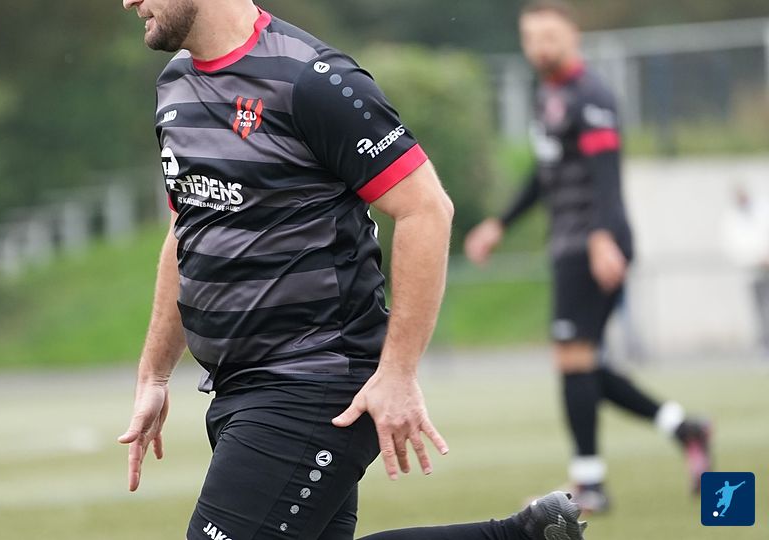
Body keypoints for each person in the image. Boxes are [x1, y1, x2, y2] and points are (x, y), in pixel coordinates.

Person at [117, 1, 588, 539]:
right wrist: (154, 374)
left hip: (313, 380)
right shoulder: (174, 83)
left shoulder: (312, 79)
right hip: (237, 386)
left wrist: (398, 371)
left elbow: (426, 209)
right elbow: (188, 227)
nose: (129, 1)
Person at [464, 0, 710, 513]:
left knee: (574, 361)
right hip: (570, 244)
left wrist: (601, 237)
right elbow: (544, 174)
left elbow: (606, 175)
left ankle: (591, 484)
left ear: (573, 36)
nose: (540, 48)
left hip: (592, 244)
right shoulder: (548, 95)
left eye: (550, 37)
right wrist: (500, 224)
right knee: (582, 365)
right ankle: (684, 428)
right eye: (531, 38)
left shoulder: (591, 95)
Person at [722, 185, 769, 354]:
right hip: (752, 271)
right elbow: (734, 246)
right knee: (759, 310)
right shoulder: (731, 219)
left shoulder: (762, 209)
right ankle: (764, 344)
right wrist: (756, 259)